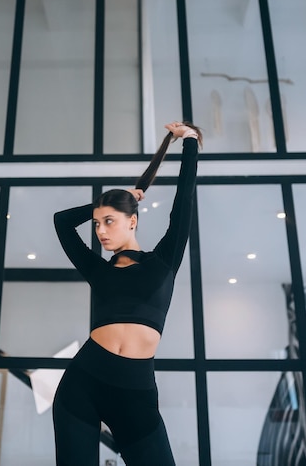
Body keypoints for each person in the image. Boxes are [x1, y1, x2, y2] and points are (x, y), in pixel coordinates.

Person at [53, 121, 202, 466]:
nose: (101, 231)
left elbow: (184, 202)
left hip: (135, 393)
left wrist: (190, 143)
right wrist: (104, 205)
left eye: (110, 222)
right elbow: (61, 221)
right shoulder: (97, 270)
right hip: (82, 385)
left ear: (132, 222)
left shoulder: (164, 261)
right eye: (97, 223)